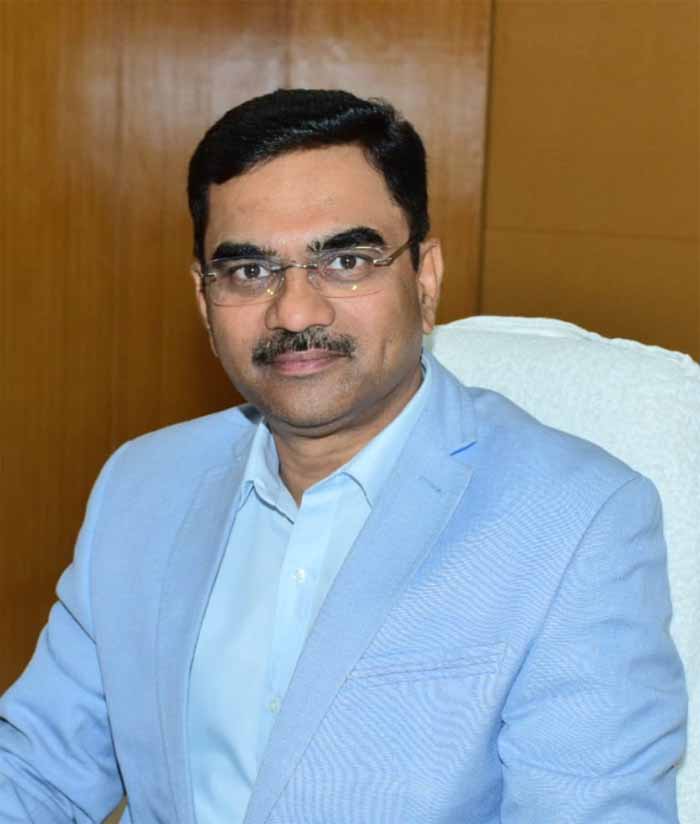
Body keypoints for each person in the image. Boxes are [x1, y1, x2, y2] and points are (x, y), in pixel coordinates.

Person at [0, 89, 687, 824]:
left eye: (345, 260)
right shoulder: (144, 484)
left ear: (424, 278)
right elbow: (38, 773)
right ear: (203, 300)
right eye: (249, 271)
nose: (295, 311)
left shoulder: (577, 519)